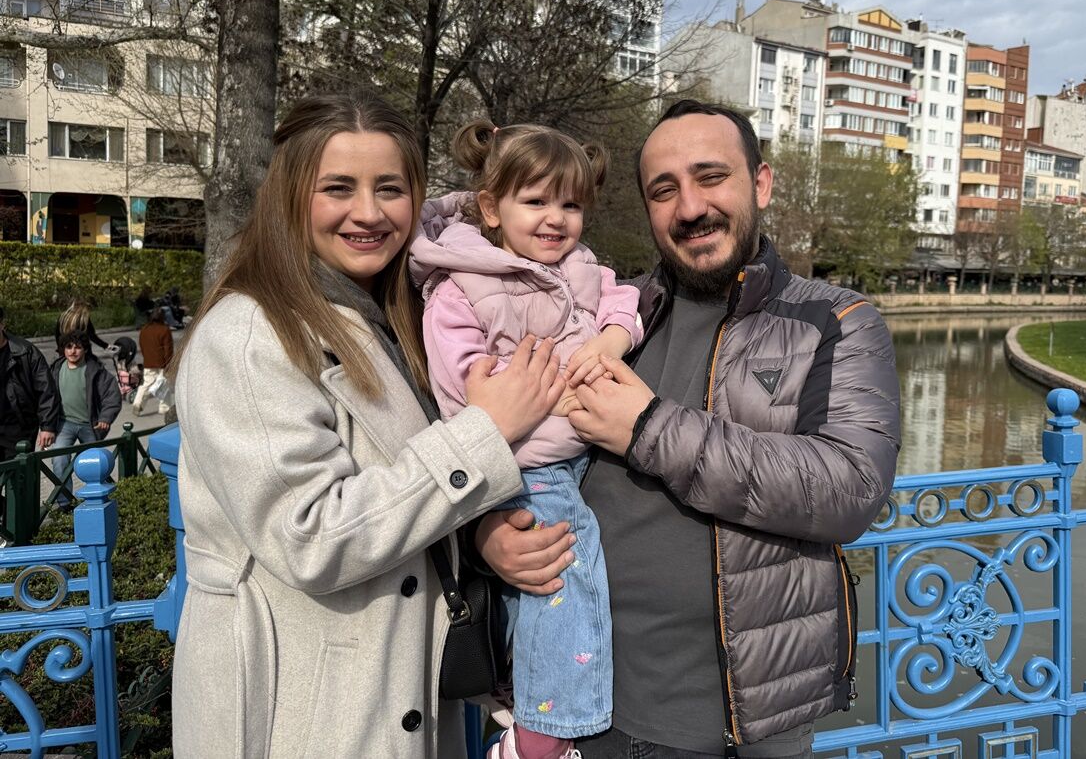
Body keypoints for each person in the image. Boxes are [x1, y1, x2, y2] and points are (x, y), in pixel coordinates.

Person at [478, 100, 902, 758]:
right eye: (664, 190)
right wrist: (490, 534)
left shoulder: (834, 320)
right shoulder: (601, 314)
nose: (690, 207)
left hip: (738, 728)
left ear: (760, 183)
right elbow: (514, 443)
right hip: (584, 711)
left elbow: (849, 488)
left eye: (711, 177)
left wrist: (647, 428)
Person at [169, 91, 566, 759]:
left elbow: (401, 486)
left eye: (390, 188)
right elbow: (310, 535)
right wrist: (485, 433)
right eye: (338, 188)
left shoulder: (386, 318)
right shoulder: (248, 336)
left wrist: (479, 537)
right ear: (291, 197)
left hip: (393, 694)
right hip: (301, 716)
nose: (369, 212)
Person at [410, 121, 643, 759]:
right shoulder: (462, 284)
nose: (555, 218)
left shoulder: (578, 267)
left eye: (570, 204)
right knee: (565, 565)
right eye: (536, 201)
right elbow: (466, 388)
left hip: (574, 454)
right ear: (492, 208)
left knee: (539, 580)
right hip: (523, 460)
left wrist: (609, 341)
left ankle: (522, 692)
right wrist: (556, 398)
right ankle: (546, 732)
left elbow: (624, 301)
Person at [48, 331, 122, 509]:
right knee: (59, 458)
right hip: (64, 424)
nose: (73, 351)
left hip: (90, 425)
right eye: (69, 347)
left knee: (97, 464)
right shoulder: (55, 369)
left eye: (78, 347)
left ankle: (103, 501)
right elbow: (45, 397)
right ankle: (65, 504)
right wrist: (46, 427)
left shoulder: (95, 370)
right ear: (63, 349)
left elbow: (112, 395)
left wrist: (105, 417)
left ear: (85, 350)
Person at [0, 305, 59, 461]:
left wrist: (47, 426)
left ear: (2, 324)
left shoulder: (25, 351)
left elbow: (46, 389)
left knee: (19, 474)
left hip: (18, 429)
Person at [132, 307, 174, 416]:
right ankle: (164, 408)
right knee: (164, 384)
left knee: (147, 384)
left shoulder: (144, 330)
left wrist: (147, 357)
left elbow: (142, 346)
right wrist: (169, 363)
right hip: (162, 362)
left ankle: (138, 403)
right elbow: (168, 349)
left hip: (148, 361)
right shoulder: (164, 330)